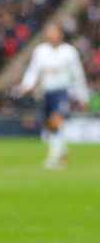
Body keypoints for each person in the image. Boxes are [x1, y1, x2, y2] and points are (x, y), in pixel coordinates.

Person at [19, 22, 88, 170]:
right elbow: (33, 70)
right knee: (50, 126)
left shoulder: (69, 52)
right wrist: (26, 84)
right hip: (46, 92)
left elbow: (78, 75)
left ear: (60, 34)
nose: (50, 35)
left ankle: (53, 157)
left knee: (56, 121)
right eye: (48, 32)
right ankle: (62, 151)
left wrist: (83, 96)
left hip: (62, 92)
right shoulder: (41, 51)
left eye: (53, 31)